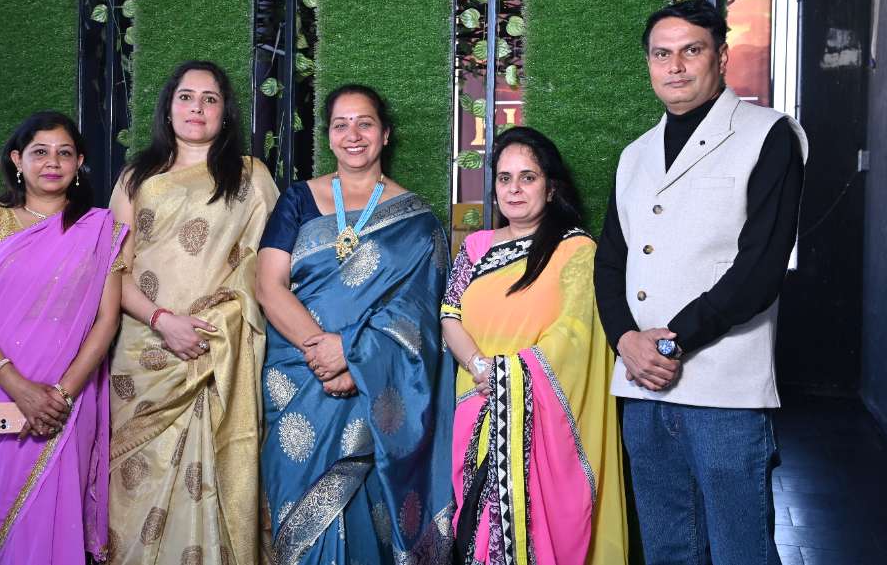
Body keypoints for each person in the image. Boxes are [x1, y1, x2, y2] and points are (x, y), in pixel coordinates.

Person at [593, 0, 808, 565]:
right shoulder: (635, 154)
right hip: (642, 386)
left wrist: (669, 343)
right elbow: (610, 261)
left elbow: (759, 271)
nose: (676, 66)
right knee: (667, 549)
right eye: (661, 54)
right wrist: (625, 340)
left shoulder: (769, 135)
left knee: (741, 551)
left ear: (721, 56)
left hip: (724, 389)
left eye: (691, 50)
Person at [255, 84, 454, 563]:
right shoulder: (298, 200)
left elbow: (423, 317)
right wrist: (324, 353)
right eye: (341, 125)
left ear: (385, 134)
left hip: (377, 389)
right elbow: (268, 285)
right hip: (300, 380)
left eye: (365, 123)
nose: (353, 135)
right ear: (328, 136)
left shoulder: (418, 220)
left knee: (372, 517)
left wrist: (353, 356)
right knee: (301, 523)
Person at [106, 61, 278, 565]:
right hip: (144, 356)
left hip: (217, 351)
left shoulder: (250, 177)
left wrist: (214, 323)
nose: (196, 108)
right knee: (136, 490)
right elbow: (114, 271)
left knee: (215, 476)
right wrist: (163, 321)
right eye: (186, 97)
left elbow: (268, 267)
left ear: (225, 113)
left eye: (209, 99)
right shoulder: (137, 178)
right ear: (168, 108)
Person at [442, 126, 628, 565]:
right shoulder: (475, 248)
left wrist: (507, 376)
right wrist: (482, 368)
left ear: (551, 187)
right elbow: (450, 315)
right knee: (477, 535)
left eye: (528, 177)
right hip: (477, 408)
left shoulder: (575, 251)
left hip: (541, 423)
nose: (514, 189)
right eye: (504, 178)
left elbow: (576, 336)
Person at [0, 111, 126, 564]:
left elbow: (107, 320)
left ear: (79, 162)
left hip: (69, 399)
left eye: (64, 153)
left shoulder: (100, 229)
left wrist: (60, 396)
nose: (53, 162)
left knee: (57, 514)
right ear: (17, 160)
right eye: (40, 152)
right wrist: (20, 388)